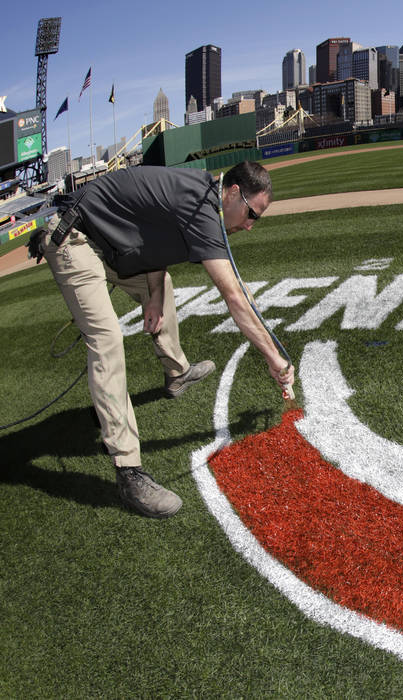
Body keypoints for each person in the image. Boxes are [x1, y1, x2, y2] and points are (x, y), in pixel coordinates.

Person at [35, 161, 294, 519]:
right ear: (233, 193)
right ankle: (129, 472)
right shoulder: (203, 207)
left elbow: (151, 238)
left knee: (164, 287)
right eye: (253, 214)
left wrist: (153, 294)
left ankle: (177, 373)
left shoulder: (201, 198)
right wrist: (274, 358)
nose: (250, 226)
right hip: (74, 239)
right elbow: (234, 296)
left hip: (110, 245)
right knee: (107, 338)